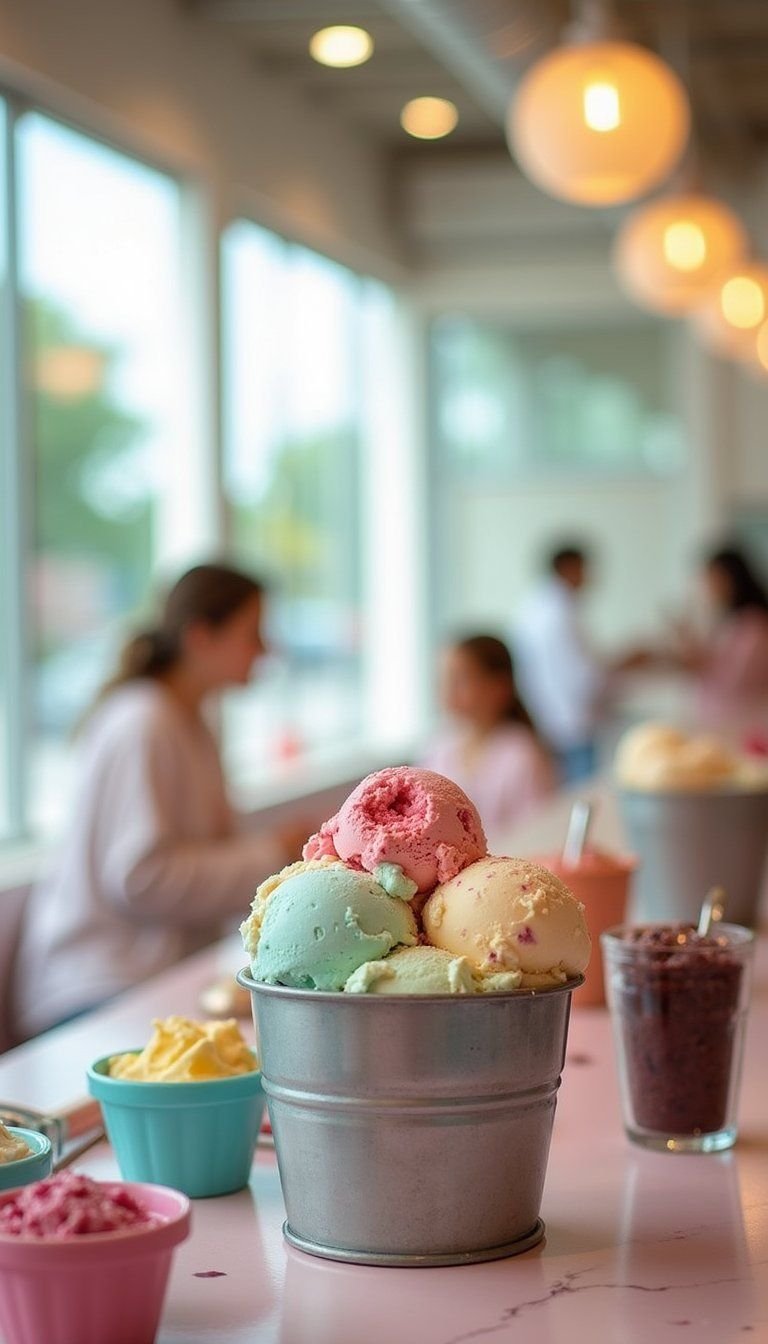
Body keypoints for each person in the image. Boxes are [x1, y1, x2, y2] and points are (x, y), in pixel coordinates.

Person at [12, 563, 307, 1039]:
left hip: (141, 978)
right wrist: (269, 853)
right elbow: (141, 878)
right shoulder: (145, 722)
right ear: (200, 636)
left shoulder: (186, 720)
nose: (266, 649)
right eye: (253, 633)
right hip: (96, 986)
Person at [513, 543, 644, 783]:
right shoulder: (560, 615)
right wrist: (628, 663)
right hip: (571, 726)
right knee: (578, 797)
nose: (589, 577)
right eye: (585, 569)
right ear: (569, 568)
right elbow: (585, 679)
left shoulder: (535, 608)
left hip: (549, 721)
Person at [422, 634, 555, 839]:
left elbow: (538, 833)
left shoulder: (521, 753)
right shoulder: (439, 747)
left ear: (499, 686)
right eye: (443, 680)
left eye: (460, 680)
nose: (447, 691)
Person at [671, 545, 768, 735]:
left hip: (740, 725)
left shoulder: (754, 626)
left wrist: (694, 657)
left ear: (731, 579)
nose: (707, 587)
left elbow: (734, 681)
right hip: (718, 723)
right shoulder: (728, 622)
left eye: (712, 579)